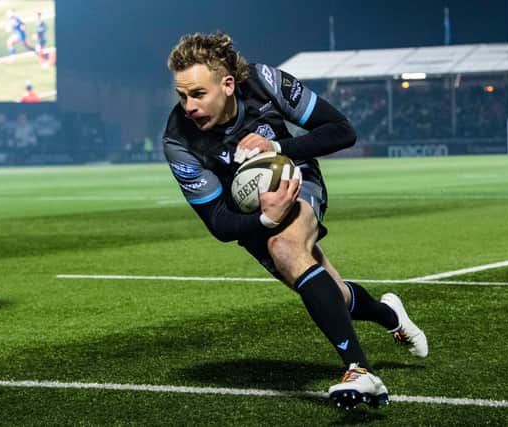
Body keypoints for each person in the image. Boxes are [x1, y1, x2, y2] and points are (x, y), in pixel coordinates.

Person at [163, 32, 428, 409]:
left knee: (285, 246)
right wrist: (266, 218)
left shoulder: (265, 82)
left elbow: (341, 131)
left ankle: (359, 371)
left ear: (227, 84)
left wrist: (277, 148)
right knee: (329, 293)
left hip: (297, 177)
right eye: (181, 95)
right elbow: (219, 223)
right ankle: (390, 315)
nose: (188, 105)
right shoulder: (179, 141)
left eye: (198, 94)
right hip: (249, 216)